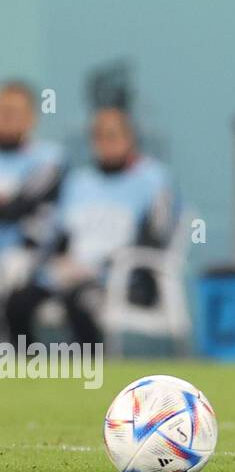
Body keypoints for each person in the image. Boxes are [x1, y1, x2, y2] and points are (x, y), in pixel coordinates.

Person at [4, 107, 178, 346]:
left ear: (130, 138)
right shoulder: (79, 182)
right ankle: (29, 371)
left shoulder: (153, 179)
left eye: (113, 136)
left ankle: (92, 373)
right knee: (18, 302)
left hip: (122, 278)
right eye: (99, 137)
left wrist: (101, 266)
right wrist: (57, 261)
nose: (106, 143)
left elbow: (156, 237)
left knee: (80, 300)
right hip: (71, 273)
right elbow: (60, 234)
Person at [0, 80, 64, 327]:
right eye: (2, 111)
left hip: (30, 256)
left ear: (31, 118)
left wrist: (9, 203)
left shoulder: (49, 158)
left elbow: (18, 207)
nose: (6, 118)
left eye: (14, 112)